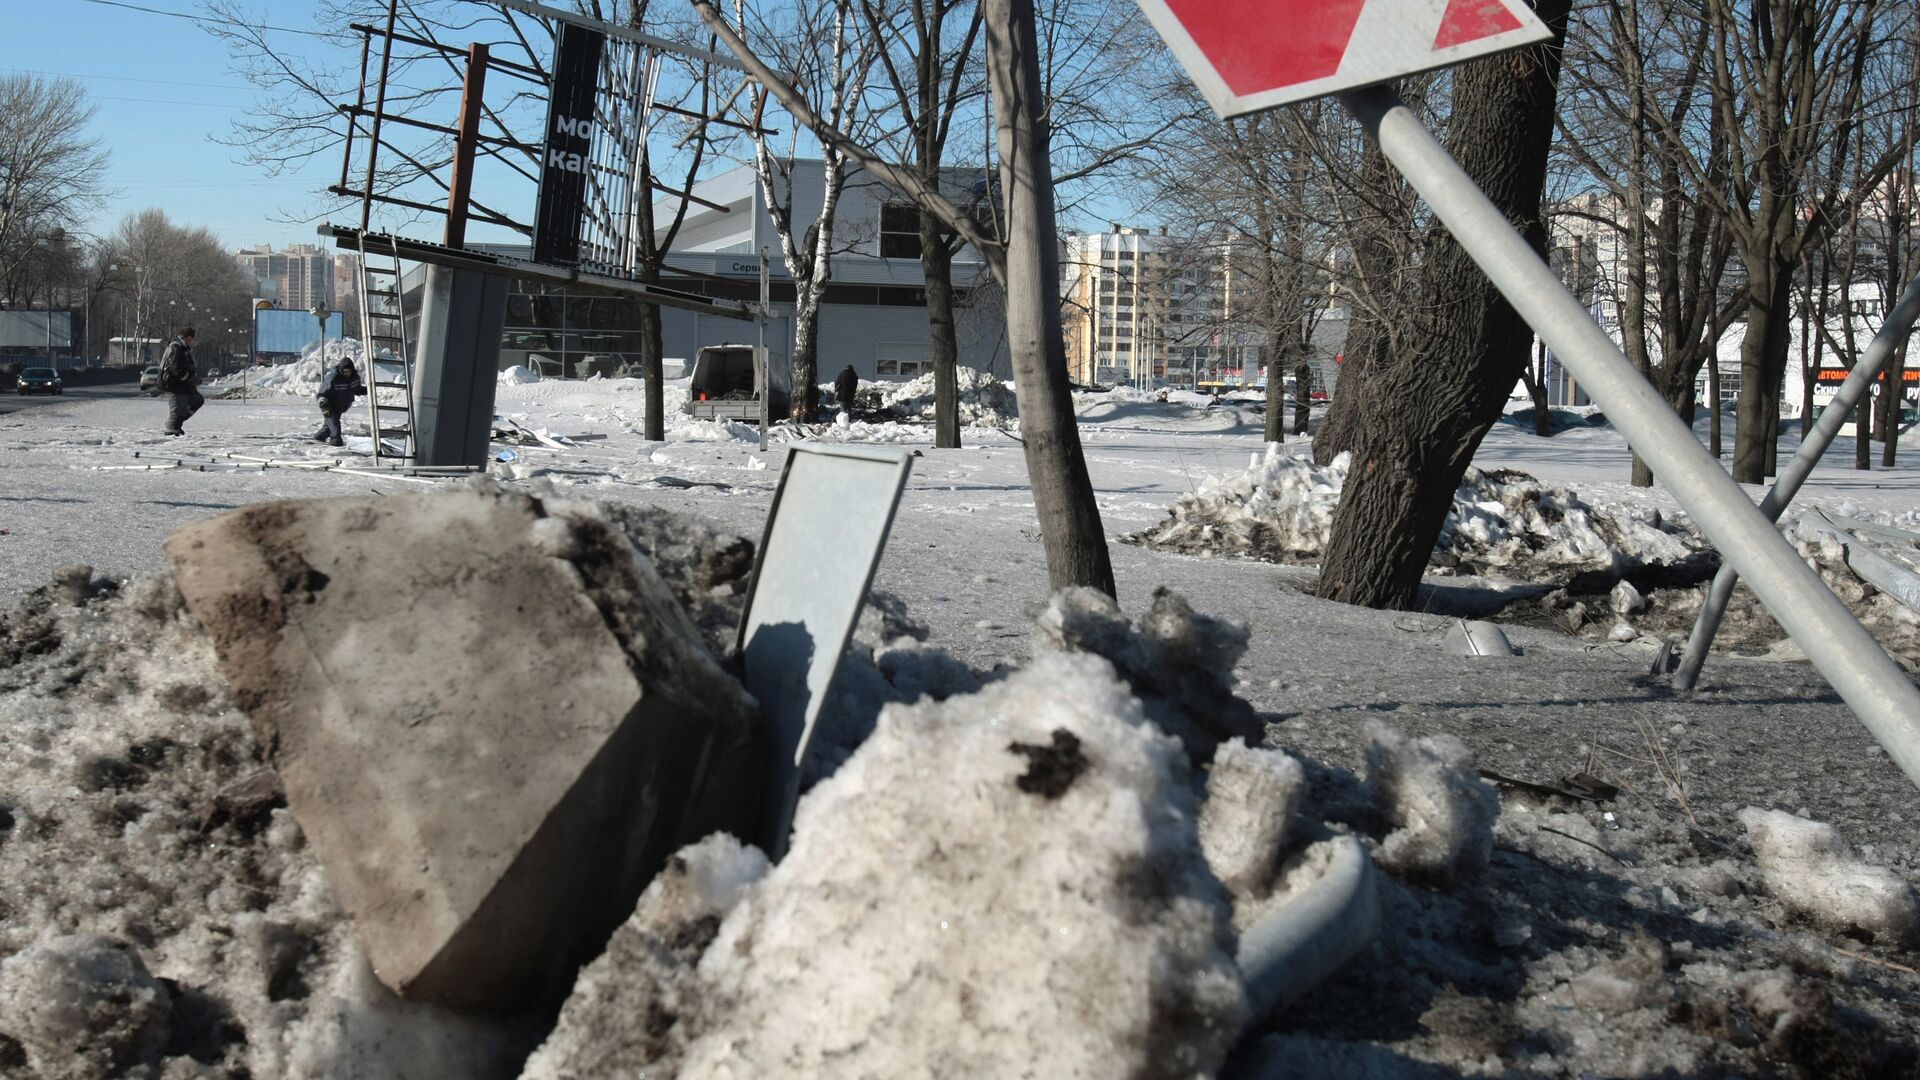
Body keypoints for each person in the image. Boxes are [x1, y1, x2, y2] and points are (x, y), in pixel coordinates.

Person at [313, 355, 367, 447]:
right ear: (341, 370)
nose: (347, 373)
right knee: (335, 425)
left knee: (329, 426)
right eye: (345, 371)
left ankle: (319, 436)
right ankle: (336, 441)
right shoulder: (333, 378)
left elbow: (357, 390)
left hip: (341, 406)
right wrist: (323, 401)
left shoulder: (354, 378)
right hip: (329, 405)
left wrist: (367, 390)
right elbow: (323, 392)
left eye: (349, 371)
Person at [157, 327, 202, 436]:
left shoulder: (184, 348)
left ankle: (177, 424)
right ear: (189, 338)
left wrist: (192, 377)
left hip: (182, 383)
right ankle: (171, 431)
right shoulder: (176, 348)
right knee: (177, 409)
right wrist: (190, 378)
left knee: (197, 400)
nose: (194, 342)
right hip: (173, 384)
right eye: (193, 339)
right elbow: (176, 369)